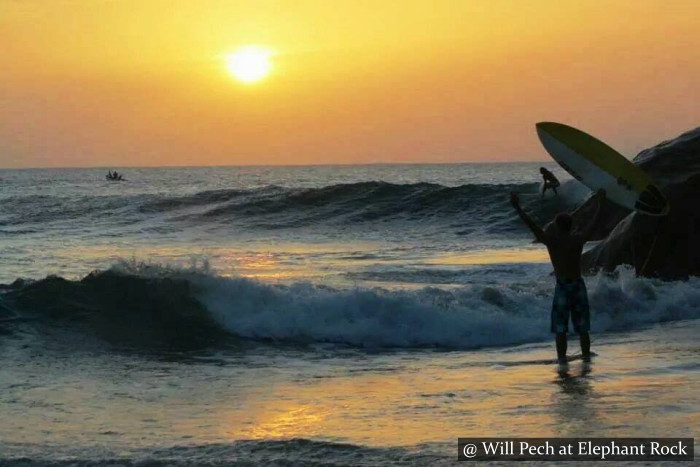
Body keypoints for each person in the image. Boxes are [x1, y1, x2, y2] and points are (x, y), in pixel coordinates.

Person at [510, 189, 606, 364]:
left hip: (563, 287)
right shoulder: (578, 239)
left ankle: (562, 360)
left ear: (557, 226)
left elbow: (532, 226)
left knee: (560, 328)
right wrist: (601, 203)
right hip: (578, 285)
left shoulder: (552, 241)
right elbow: (594, 224)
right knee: (582, 328)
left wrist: (518, 208)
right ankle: (586, 359)